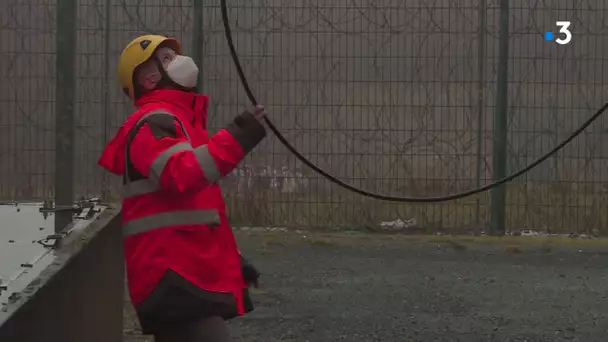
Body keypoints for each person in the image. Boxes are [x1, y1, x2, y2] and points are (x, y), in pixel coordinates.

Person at [98, 34, 266, 342]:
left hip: (179, 273)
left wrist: (233, 262)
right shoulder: (152, 123)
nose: (177, 62)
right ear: (149, 79)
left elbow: (194, 212)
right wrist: (239, 135)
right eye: (165, 59)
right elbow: (183, 175)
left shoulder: (177, 123)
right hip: (171, 276)